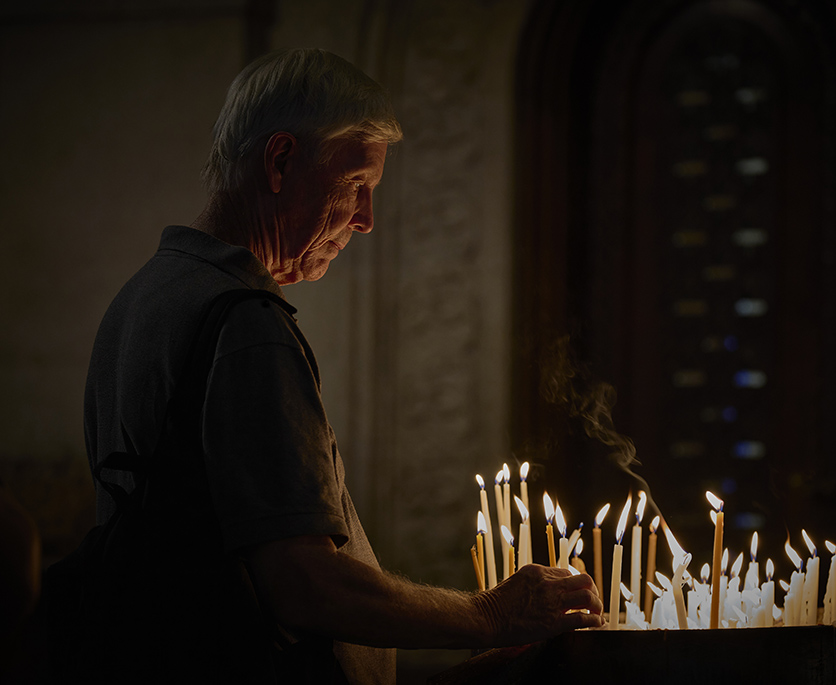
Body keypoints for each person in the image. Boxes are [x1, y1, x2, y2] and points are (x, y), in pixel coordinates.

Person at [81, 48, 602, 683]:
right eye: (355, 185)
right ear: (280, 161)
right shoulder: (243, 324)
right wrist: (489, 614)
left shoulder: (142, 297)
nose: (366, 221)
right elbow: (302, 582)